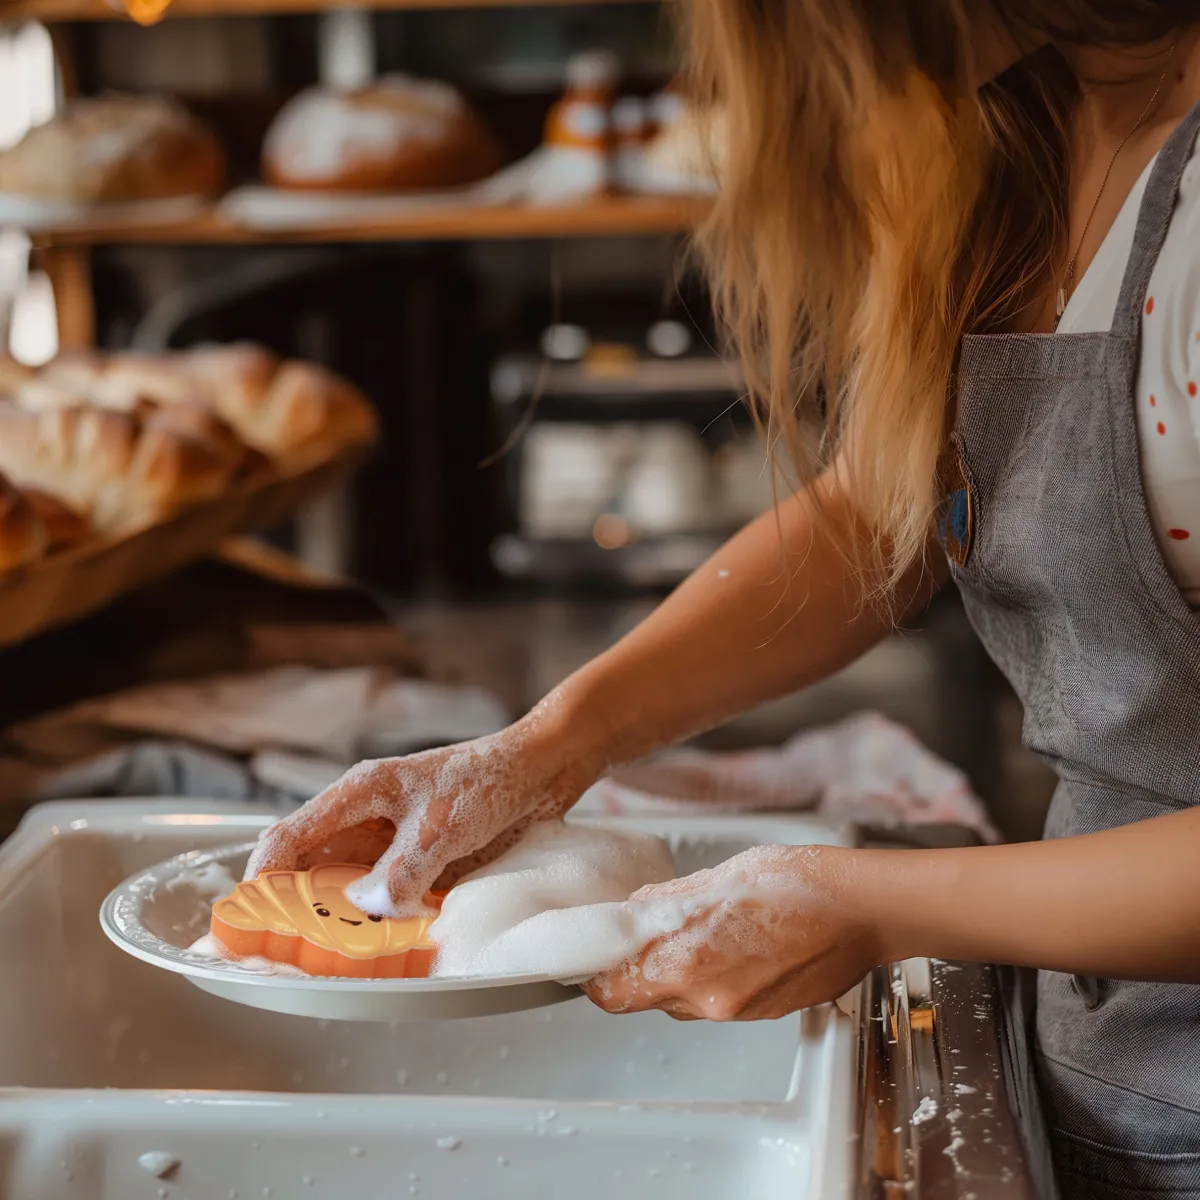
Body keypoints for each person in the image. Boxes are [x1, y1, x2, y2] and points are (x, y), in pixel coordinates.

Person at [248, 5, 1200, 1195]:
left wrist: (871, 906)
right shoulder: (1012, 134)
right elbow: (881, 511)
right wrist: (553, 744)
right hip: (1100, 1057)